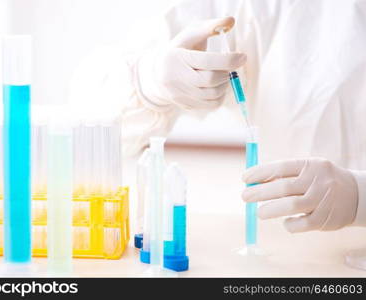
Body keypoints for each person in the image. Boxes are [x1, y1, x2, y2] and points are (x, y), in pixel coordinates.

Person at [70, 0, 366, 232]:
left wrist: (360, 197)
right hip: (302, 255)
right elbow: (90, 114)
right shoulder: (257, 8)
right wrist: (149, 79)